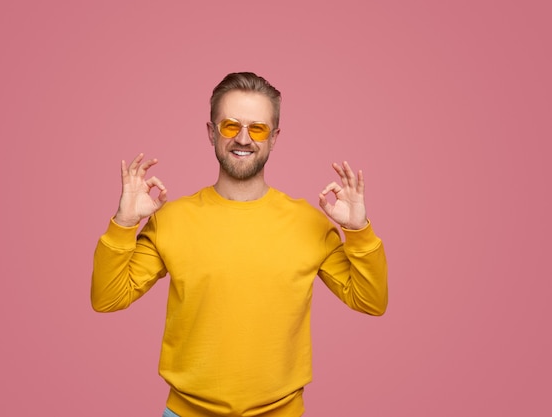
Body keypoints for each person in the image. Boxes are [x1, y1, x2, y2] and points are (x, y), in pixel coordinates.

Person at [91, 72, 388, 417]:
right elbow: (107, 298)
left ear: (275, 138)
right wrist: (124, 224)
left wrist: (359, 232)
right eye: (231, 125)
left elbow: (371, 301)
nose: (243, 139)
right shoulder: (171, 219)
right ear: (211, 132)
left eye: (257, 128)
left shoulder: (310, 223)